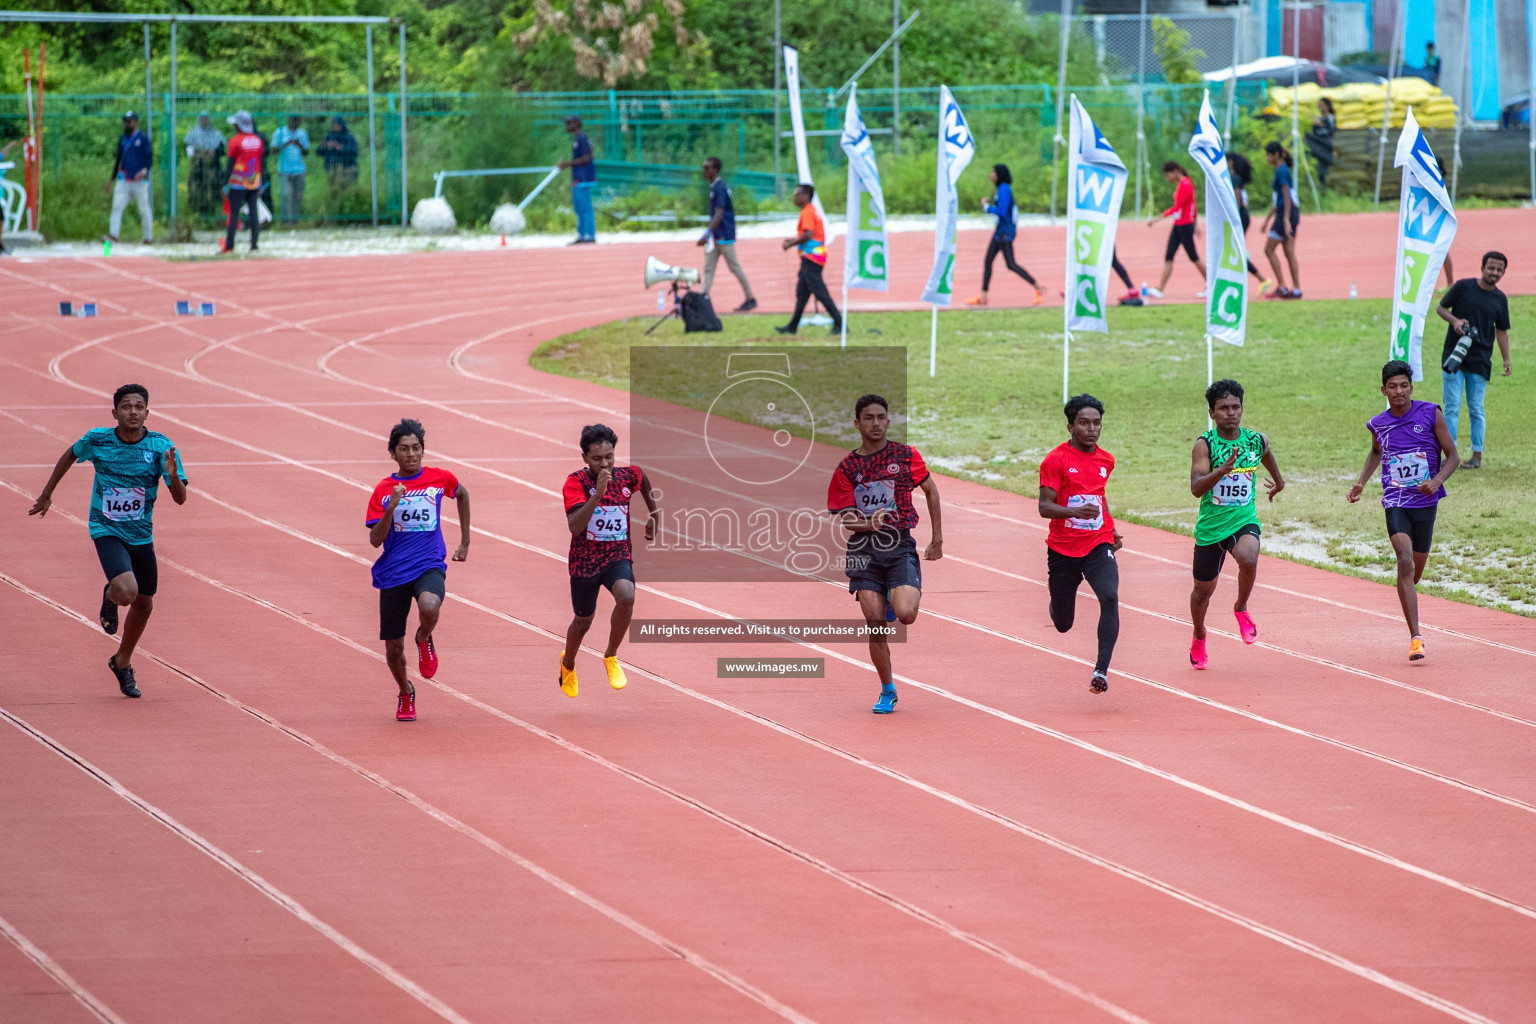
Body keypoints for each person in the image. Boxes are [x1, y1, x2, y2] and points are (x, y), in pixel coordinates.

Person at [27, 384, 187, 699]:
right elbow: (70, 455)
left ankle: (122, 661)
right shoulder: (98, 440)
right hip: (106, 528)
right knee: (128, 591)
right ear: (115, 413)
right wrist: (47, 494)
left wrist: (171, 477)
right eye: (126, 407)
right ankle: (113, 594)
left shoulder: (161, 447)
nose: (133, 412)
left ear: (147, 413)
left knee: (144, 602)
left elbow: (181, 499)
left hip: (141, 534)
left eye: (138, 407)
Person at [826, 394, 943, 714]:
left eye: (881, 417)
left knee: (906, 614)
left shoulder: (906, 456)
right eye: (868, 418)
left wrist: (937, 539)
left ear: (888, 422)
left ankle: (895, 601)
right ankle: (887, 690)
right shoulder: (848, 467)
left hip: (899, 544)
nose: (875, 423)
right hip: (863, 550)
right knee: (875, 624)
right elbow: (845, 517)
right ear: (857, 424)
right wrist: (868, 523)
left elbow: (931, 490)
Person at [1347, 360, 1459, 661]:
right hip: (1396, 501)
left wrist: (1436, 481)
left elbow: (1453, 456)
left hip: (1426, 503)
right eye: (1393, 386)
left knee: (1414, 573)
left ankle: (1407, 589)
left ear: (1411, 387)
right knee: (1405, 561)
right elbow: (1375, 450)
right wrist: (1361, 483)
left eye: (1404, 385)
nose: (1399, 391)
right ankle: (1416, 637)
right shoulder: (1379, 423)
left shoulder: (1429, 413)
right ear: (1383, 390)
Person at [365, 419, 470, 722]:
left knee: (430, 603)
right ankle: (405, 691)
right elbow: (374, 541)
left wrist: (464, 541)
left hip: (428, 562)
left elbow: (462, 495)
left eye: (416, 448)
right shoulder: (384, 490)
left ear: (423, 451)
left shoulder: (440, 479)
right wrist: (391, 507)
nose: (411, 454)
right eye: (404, 449)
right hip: (394, 572)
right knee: (394, 649)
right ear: (393, 454)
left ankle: (424, 637)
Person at [1187, 379, 1285, 669]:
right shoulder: (1205, 445)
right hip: (1211, 528)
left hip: (1243, 519)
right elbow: (1196, 488)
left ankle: (1241, 608)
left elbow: (1265, 452)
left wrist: (1278, 482)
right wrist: (1221, 471)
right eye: (1223, 408)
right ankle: (1199, 635)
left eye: (1236, 407)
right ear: (1212, 412)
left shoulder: (1254, 440)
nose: (1231, 412)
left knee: (1248, 556)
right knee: (1202, 592)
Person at [560, 424, 658, 698]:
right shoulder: (575, 482)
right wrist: (598, 494)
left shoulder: (628, 476)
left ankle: (611, 655)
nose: (605, 464)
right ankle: (568, 664)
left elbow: (643, 479)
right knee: (583, 621)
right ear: (584, 458)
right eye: (597, 459)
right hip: (585, 561)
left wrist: (654, 514)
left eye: (609, 457)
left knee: (627, 596)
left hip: (617, 554)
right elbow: (575, 526)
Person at [1038, 394, 1122, 693]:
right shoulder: (1055, 460)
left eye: (1097, 423)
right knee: (1063, 622)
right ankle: (1057, 598)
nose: (1092, 429)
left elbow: (1098, 495)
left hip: (1098, 543)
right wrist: (1074, 512)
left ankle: (1101, 671)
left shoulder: (1106, 460)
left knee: (1110, 596)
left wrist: (1110, 529)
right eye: (1084, 423)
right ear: (1070, 426)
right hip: (1063, 549)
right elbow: (1045, 507)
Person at [1435, 251, 1512, 469]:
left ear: (1503, 272)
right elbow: (1440, 308)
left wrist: (1506, 359)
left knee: (1476, 408)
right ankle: (1451, 454)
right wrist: (1455, 321)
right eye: (1491, 268)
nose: (1494, 272)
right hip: (1454, 356)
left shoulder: (1500, 299)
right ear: (1482, 267)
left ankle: (1477, 455)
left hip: (1480, 360)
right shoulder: (1463, 287)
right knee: (1451, 407)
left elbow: (1501, 330)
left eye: (1499, 270)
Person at [966, 163, 1043, 306]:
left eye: (993, 172)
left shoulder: (1004, 189)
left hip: (1005, 232)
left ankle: (1039, 287)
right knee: (988, 261)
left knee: (1011, 264)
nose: (991, 175)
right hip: (999, 231)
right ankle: (983, 297)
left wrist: (986, 207)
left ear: (999, 175)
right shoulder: (1001, 190)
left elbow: (1002, 211)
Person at [775, 184, 842, 335]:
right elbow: (809, 235)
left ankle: (840, 323)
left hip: (812, 258)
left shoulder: (807, 212)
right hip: (812, 256)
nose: (794, 197)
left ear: (805, 196)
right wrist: (793, 240)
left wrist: (790, 244)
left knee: (820, 292)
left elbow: (808, 234)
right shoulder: (811, 211)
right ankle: (793, 326)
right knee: (802, 294)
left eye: (796, 193)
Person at [697, 156, 757, 312]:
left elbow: (719, 213)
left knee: (734, 267)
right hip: (716, 235)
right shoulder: (715, 188)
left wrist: (706, 233)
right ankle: (704, 300)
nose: (704, 170)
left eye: (707, 168)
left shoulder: (719, 188)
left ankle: (750, 298)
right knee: (708, 268)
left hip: (723, 235)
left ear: (715, 170)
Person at [1144, 161, 1204, 299]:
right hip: (1178, 225)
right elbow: (1192, 205)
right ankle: (1160, 289)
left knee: (1194, 257)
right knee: (1169, 256)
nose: (1168, 179)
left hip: (1184, 226)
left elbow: (1177, 208)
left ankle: (1211, 285)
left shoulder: (1185, 185)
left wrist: (1156, 219)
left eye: (1168, 175)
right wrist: (1195, 222)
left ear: (1175, 171)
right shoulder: (1183, 184)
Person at [1227, 151, 1273, 292]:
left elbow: (1237, 199)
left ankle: (1262, 279)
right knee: (1232, 251)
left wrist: (1234, 218)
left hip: (1240, 217)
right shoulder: (1233, 177)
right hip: (1241, 217)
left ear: (1231, 162)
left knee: (1235, 253)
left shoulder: (1235, 179)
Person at [1261, 141, 1302, 300]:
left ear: (1276, 155)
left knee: (1269, 250)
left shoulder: (1282, 171)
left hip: (1287, 213)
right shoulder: (1280, 170)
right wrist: (1267, 220)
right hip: (1288, 212)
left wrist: (1285, 219)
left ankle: (1283, 286)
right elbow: (1278, 199)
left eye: (1268, 154)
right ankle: (1295, 289)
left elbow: (1286, 195)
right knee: (1288, 251)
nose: (1267, 157)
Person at [221, 111, 266, 254]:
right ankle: (254, 245)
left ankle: (229, 245)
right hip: (254, 181)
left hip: (238, 182)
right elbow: (262, 162)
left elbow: (230, 164)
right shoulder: (258, 140)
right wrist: (261, 180)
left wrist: (224, 183)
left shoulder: (235, 141)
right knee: (254, 213)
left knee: (234, 213)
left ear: (239, 125)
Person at [107, 111, 154, 245]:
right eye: (125, 121)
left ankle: (148, 237)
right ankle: (113, 235)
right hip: (124, 180)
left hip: (140, 182)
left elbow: (149, 159)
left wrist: (144, 171)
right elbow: (118, 160)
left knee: (144, 209)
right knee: (117, 207)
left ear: (135, 121)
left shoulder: (143, 138)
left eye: (129, 121)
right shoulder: (123, 139)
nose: (127, 123)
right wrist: (111, 180)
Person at [559, 115, 596, 244]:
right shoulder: (577, 139)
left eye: (569, 123)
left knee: (585, 207)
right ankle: (582, 234)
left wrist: (568, 164)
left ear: (577, 124)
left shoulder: (582, 138)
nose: (567, 126)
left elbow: (587, 157)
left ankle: (589, 235)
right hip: (578, 178)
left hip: (583, 178)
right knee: (579, 208)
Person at [183, 112, 225, 219]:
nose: (204, 121)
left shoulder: (216, 134)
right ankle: (196, 212)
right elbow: (189, 150)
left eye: (206, 119)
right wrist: (199, 154)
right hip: (197, 166)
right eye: (202, 119)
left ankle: (212, 213)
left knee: (212, 188)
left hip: (212, 167)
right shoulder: (192, 133)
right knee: (196, 188)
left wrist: (213, 153)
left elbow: (222, 149)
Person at [270, 115, 309, 225]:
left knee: (298, 196)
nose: (297, 123)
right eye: (294, 121)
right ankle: (286, 220)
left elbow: (306, 152)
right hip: (284, 170)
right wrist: (287, 144)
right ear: (289, 120)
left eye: (298, 121)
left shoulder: (302, 133)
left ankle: (295, 220)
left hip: (300, 169)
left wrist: (299, 144)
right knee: (285, 195)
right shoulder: (279, 132)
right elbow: (274, 149)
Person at [318, 117, 359, 191]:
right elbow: (319, 152)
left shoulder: (349, 137)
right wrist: (324, 145)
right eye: (332, 124)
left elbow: (354, 152)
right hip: (332, 171)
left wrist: (339, 146)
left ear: (341, 125)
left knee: (348, 191)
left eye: (335, 124)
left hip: (347, 170)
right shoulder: (329, 136)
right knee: (335, 192)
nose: (333, 126)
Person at [1305, 97, 1337, 190]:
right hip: (1318, 148)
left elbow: (1329, 131)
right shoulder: (1318, 119)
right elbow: (1315, 133)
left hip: (1326, 147)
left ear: (1327, 106)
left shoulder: (1331, 119)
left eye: (1322, 106)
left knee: (1324, 170)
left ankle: (1324, 189)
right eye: (1319, 106)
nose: (1320, 108)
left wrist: (1321, 125)